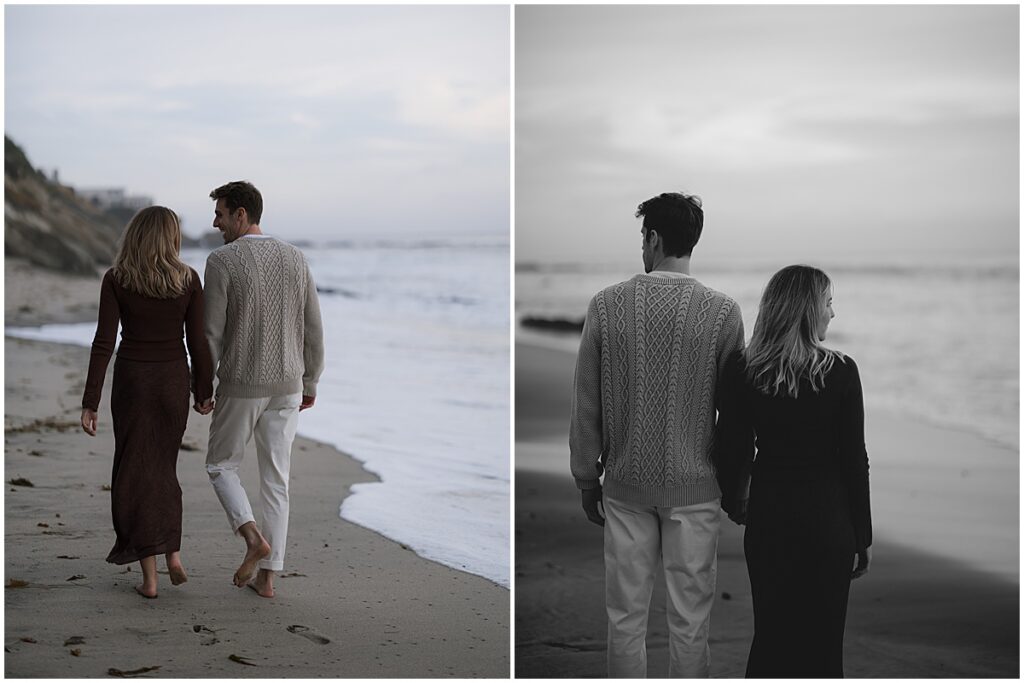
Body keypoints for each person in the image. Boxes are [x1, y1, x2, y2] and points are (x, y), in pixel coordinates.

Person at [569, 192, 745, 677]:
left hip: (625, 486)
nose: (641, 249)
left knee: (625, 616)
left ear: (654, 238)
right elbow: (734, 415)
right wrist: (734, 484)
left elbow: (586, 401)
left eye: (642, 238)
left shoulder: (606, 306)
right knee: (691, 621)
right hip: (697, 488)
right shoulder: (723, 313)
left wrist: (587, 476)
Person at [715, 265, 872, 678]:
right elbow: (854, 459)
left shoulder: (742, 369)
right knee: (823, 647)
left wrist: (734, 498)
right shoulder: (841, 371)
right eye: (828, 303)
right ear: (807, 310)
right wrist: (863, 533)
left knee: (771, 638)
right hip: (830, 523)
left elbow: (732, 444)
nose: (833, 314)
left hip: (770, 520)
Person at [80, 206, 214, 599]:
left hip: (133, 380)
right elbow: (198, 342)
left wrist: (90, 401)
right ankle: (173, 553)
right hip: (172, 378)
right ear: (171, 237)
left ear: (134, 235)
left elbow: (103, 343)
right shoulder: (187, 279)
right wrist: (202, 390)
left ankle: (150, 579)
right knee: (163, 467)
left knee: (135, 469)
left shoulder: (117, 279)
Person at [199, 180, 324, 599]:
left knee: (221, 465)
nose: (215, 223)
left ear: (241, 214)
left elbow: (211, 334)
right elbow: (313, 327)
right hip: (288, 384)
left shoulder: (221, 261)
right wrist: (311, 380)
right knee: (277, 480)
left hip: (242, 383)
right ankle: (268, 580)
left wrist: (202, 384)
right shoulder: (296, 257)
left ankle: (252, 536)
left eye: (220, 214)